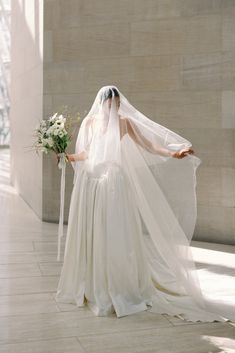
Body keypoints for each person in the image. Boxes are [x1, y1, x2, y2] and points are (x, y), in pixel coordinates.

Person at [55, 85, 234, 322]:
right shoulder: (91, 124)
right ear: (102, 103)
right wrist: (67, 157)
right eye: (111, 104)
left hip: (114, 184)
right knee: (96, 233)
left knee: (116, 233)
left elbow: (148, 145)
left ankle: (119, 283)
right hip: (93, 184)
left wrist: (173, 153)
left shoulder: (124, 123)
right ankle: (95, 282)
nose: (114, 107)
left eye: (117, 104)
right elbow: (88, 153)